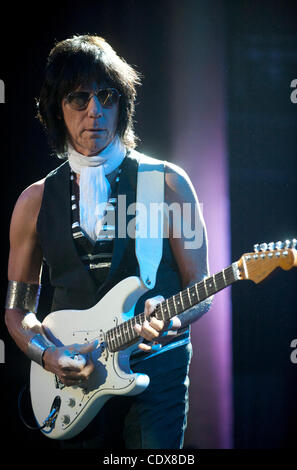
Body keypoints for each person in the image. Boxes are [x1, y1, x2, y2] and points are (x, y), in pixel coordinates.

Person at [5, 34, 211, 449]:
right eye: (79, 98)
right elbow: (17, 311)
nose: (94, 110)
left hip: (156, 373)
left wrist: (172, 319)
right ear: (57, 109)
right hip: (73, 384)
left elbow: (201, 291)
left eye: (107, 96)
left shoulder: (168, 183)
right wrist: (49, 356)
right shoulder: (34, 201)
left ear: (123, 104)